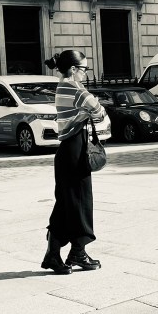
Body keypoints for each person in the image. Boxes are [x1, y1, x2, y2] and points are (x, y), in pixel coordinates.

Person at [41, 50, 107, 274]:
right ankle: (77, 252)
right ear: (73, 69)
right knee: (81, 202)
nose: (86, 74)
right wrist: (92, 112)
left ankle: (53, 254)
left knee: (65, 203)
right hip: (75, 152)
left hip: (66, 151)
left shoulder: (61, 86)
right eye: (84, 69)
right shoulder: (74, 87)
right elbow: (99, 112)